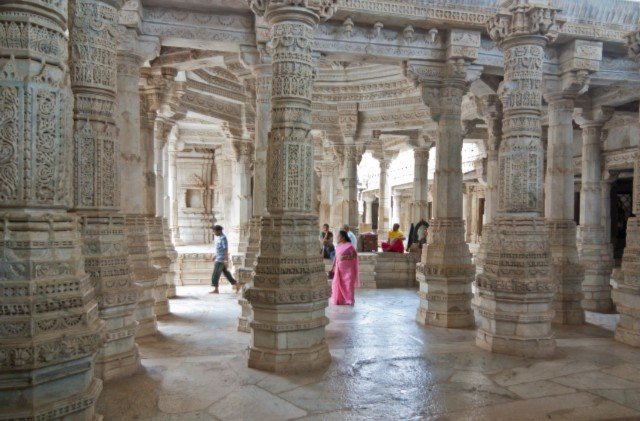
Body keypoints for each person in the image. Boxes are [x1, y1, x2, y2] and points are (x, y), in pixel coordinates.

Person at [330, 230, 360, 306]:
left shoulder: (349, 246)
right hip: (339, 269)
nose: (337, 237)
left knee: (348, 285)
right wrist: (332, 266)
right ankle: (340, 300)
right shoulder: (338, 246)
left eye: (338, 236)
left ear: (343, 237)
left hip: (348, 270)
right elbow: (336, 257)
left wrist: (344, 257)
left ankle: (349, 300)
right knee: (338, 284)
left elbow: (354, 256)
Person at [210, 225, 239, 294]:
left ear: (219, 231)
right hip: (219, 257)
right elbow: (220, 249)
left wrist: (226, 260)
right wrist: (215, 256)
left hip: (221, 260)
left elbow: (225, 249)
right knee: (226, 273)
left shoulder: (223, 238)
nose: (214, 233)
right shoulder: (220, 238)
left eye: (214, 231)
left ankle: (216, 289)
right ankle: (237, 284)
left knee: (215, 274)